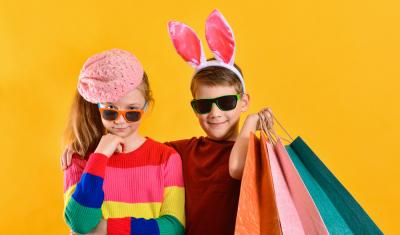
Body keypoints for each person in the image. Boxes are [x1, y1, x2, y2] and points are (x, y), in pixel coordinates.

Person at [63, 48, 185, 235]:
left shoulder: (167, 158)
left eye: (132, 112)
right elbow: (80, 223)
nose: (120, 121)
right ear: (98, 107)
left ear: (146, 106)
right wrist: (99, 157)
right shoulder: (79, 158)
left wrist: (107, 229)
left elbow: (174, 227)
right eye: (110, 111)